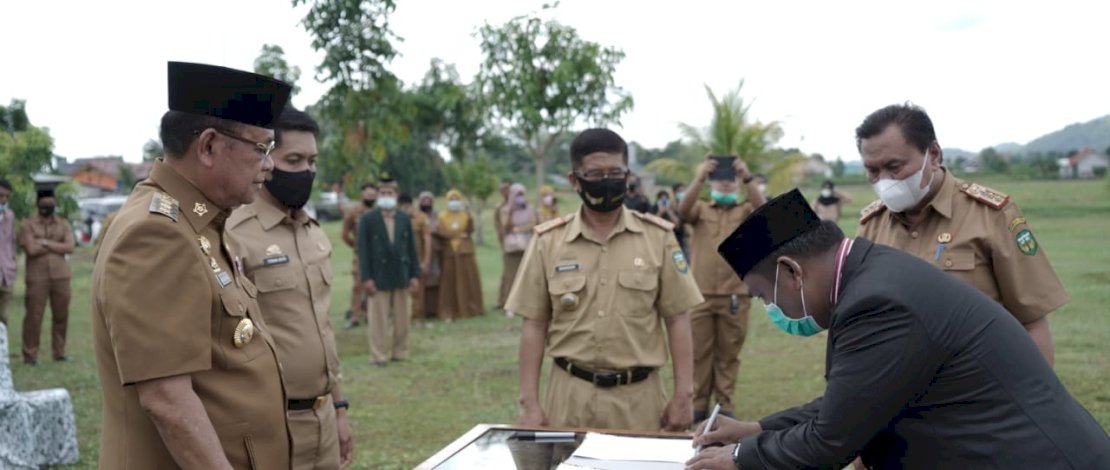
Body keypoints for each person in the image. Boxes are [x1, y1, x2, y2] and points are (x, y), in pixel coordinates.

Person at [685, 189, 1110, 470]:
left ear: (791, 271)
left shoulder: (877, 302)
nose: (772, 309)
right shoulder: (870, 274)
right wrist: (760, 430)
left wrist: (739, 457)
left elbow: (830, 442)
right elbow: (858, 399)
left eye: (765, 296)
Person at [92, 61, 292, 469]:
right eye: (262, 149)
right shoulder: (156, 235)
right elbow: (167, 400)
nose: (270, 165)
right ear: (209, 146)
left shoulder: (197, 222)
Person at [507, 128, 704, 432]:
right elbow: (534, 324)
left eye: (615, 172)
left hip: (639, 400)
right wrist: (529, 403)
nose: (607, 181)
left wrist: (684, 395)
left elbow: (678, 319)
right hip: (569, 397)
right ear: (575, 180)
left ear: (628, 176)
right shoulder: (549, 242)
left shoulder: (658, 237)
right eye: (596, 174)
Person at [855, 104, 1066, 364]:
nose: (884, 181)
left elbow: (1032, 323)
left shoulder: (991, 216)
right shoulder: (870, 226)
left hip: (980, 394)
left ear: (933, 154)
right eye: (872, 171)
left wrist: (1033, 401)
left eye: (894, 167)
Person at [226, 106, 354, 469]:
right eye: (294, 160)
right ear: (266, 160)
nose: (307, 171)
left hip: (323, 415)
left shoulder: (312, 232)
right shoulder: (234, 234)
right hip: (269, 423)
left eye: (312, 161)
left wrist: (339, 409)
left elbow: (322, 330)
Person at [676, 155, 766, 423]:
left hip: (734, 294)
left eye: (731, 182)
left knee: (728, 352)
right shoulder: (701, 210)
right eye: (720, 181)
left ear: (737, 185)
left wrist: (747, 177)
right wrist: (700, 176)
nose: (725, 186)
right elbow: (682, 211)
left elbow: (764, 212)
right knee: (699, 352)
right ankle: (699, 404)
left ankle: (725, 404)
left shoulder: (745, 211)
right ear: (712, 184)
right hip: (700, 294)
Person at [358, 177, 421, 366]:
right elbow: (363, 250)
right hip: (378, 276)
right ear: (378, 196)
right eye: (383, 193)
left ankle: (400, 352)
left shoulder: (403, 218)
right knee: (378, 319)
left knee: (402, 318)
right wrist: (366, 277)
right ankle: (378, 355)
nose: (386, 196)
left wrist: (415, 275)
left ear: (396, 195)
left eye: (390, 193)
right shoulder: (368, 219)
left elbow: (411, 248)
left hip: (401, 273)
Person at [18, 187, 75, 364]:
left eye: (51, 203)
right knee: (34, 316)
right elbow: (31, 249)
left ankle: (59, 352)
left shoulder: (63, 223)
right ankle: (30, 354)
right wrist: (55, 245)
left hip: (61, 276)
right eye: (45, 203)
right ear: (37, 204)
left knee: (61, 315)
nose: (48, 206)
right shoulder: (27, 224)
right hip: (37, 277)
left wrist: (43, 242)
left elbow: (70, 246)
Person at [436, 190, 484, 320]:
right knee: (449, 281)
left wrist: (470, 218)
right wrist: (458, 235)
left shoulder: (465, 215)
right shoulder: (442, 217)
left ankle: (470, 308)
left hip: (465, 251)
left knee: (467, 279)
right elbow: (441, 232)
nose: (454, 202)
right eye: (452, 199)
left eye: (456, 199)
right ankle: (450, 309)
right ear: (447, 201)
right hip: (449, 252)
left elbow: (470, 231)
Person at [341, 183, 377, 329]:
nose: (370, 197)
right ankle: (355, 316)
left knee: (375, 285)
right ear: (362, 195)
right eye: (368, 194)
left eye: (373, 195)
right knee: (358, 285)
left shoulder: (379, 211)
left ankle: (371, 315)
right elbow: (345, 234)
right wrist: (356, 246)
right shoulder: (354, 211)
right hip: (361, 255)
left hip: (376, 254)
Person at [498, 183, 536, 313]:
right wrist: (511, 212)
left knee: (528, 274)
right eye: (517, 195)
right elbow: (504, 226)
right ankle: (510, 306)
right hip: (511, 248)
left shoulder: (530, 209)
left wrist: (520, 229)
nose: (520, 197)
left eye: (521, 194)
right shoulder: (505, 209)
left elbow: (533, 223)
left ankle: (527, 303)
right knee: (511, 275)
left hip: (527, 245)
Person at [399, 194, 434, 322]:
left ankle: (416, 317)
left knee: (418, 291)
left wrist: (426, 261)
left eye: (407, 205)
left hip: (416, 260)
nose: (404, 208)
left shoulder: (420, 218)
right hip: (398, 261)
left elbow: (427, 239)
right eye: (402, 206)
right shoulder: (392, 218)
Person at [417, 191, 441, 319]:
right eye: (423, 200)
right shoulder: (416, 216)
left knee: (435, 278)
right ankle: (421, 309)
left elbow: (441, 229)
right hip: (420, 251)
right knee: (421, 280)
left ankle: (434, 309)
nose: (426, 202)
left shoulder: (437, 215)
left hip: (435, 252)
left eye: (428, 200)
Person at [0, 178, 15, 326]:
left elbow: (11, 242)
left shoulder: (9, 216)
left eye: (6, 196)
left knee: (4, 317)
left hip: (7, 273)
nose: (3, 199)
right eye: (0, 195)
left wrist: (13, 264)